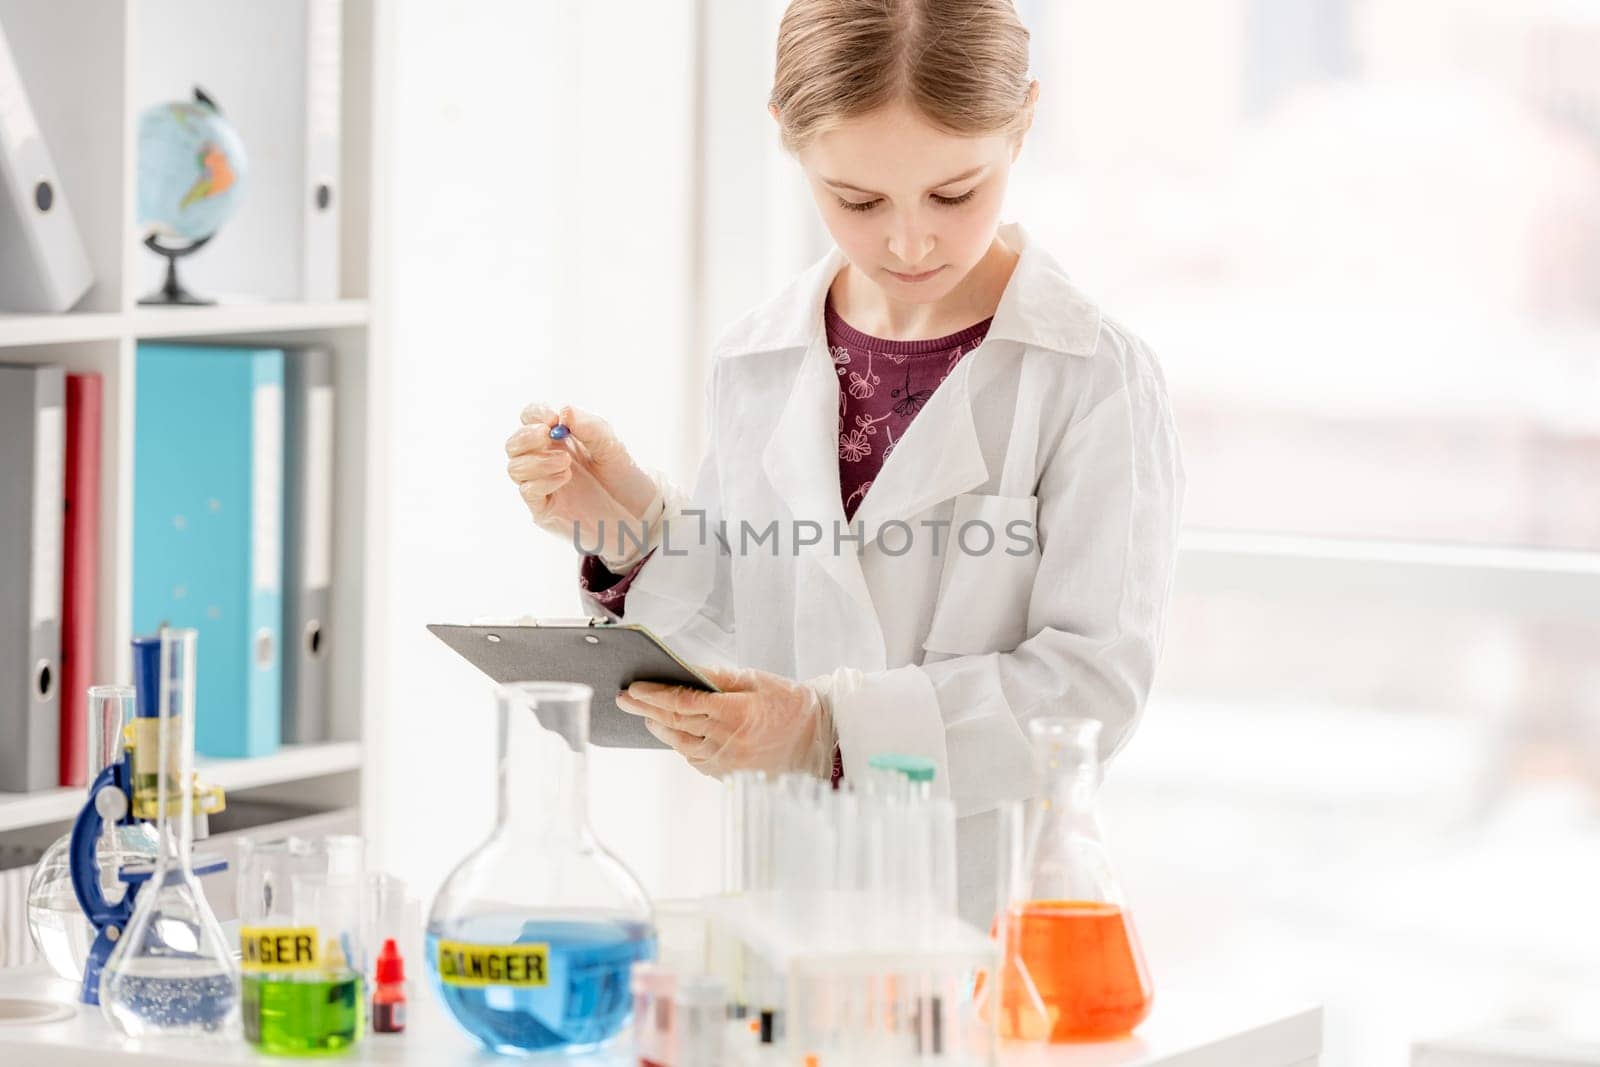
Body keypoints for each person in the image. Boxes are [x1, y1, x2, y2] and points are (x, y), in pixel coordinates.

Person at [504, 0, 1184, 925]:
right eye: (858, 201)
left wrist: (831, 728)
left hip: (987, 926)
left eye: (955, 193)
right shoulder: (759, 361)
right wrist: (626, 529)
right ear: (786, 135)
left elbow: (1091, 689)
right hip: (787, 910)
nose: (910, 242)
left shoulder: (1090, 377)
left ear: (1023, 121)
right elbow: (741, 637)